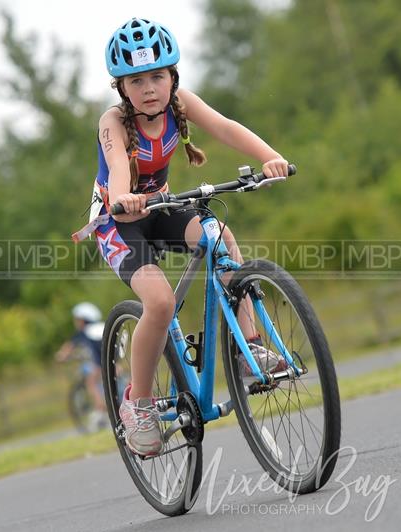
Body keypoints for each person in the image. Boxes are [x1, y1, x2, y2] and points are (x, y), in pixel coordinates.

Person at [75, 18, 289, 457]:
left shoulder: (181, 104)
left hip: (163, 207)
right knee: (160, 303)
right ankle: (138, 406)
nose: (150, 88)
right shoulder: (112, 121)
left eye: (158, 76)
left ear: (173, 77)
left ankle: (250, 350)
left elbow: (226, 128)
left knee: (220, 237)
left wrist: (271, 158)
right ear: (121, 88)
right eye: (137, 80)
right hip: (120, 221)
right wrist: (123, 199)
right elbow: (117, 170)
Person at [55, 302, 106, 423]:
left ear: (83, 320)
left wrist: (61, 356)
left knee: (91, 382)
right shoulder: (102, 326)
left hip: (99, 365)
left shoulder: (84, 332)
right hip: (114, 362)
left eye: (77, 320)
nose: (76, 322)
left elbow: (69, 347)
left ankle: (100, 409)